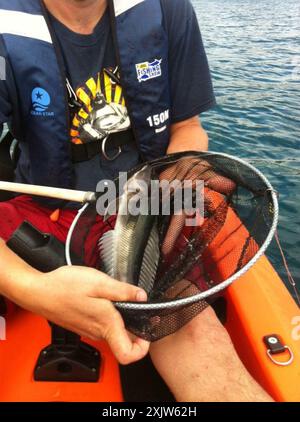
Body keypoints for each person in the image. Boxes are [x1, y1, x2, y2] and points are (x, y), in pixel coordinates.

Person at [0, 0, 272, 402]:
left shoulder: (168, 10)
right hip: (42, 210)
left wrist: (173, 187)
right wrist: (34, 289)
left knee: (195, 328)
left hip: (145, 208)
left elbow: (187, 129)